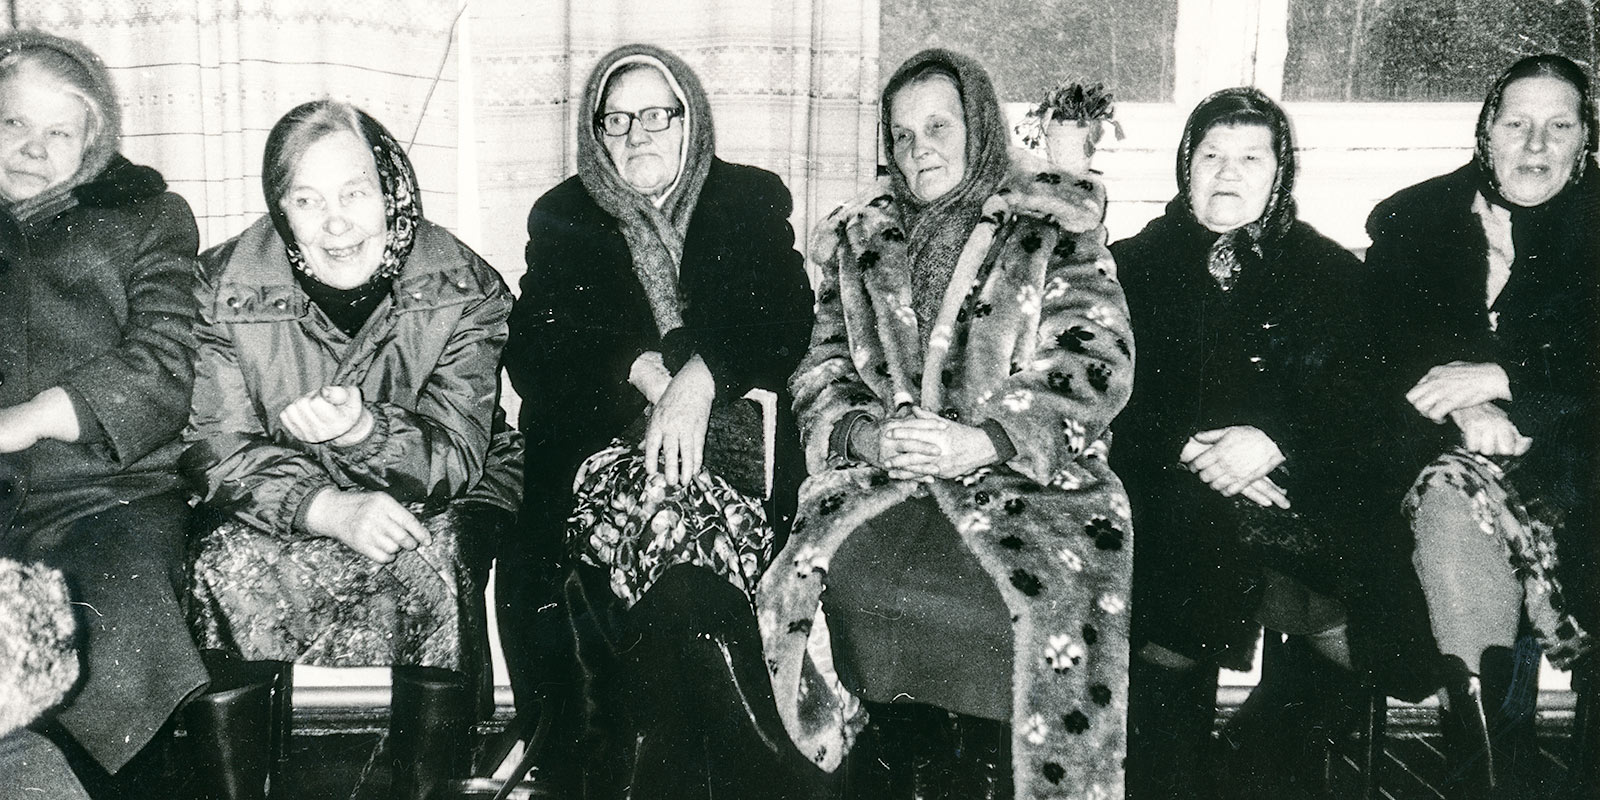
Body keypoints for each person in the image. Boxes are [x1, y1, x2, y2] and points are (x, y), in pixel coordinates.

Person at [757, 48, 1135, 800]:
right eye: (900, 135)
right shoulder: (859, 242)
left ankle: (990, 776)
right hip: (886, 481)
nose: (918, 147)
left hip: (1028, 486)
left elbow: (1095, 357)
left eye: (938, 125)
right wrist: (864, 435)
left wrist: (986, 441)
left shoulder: (1049, 227)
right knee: (838, 582)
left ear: (981, 127)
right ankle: (898, 768)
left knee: (1021, 608)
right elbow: (821, 368)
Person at [182, 99, 522, 800]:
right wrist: (325, 507)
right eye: (306, 200)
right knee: (219, 563)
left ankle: (429, 785)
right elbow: (216, 448)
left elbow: (457, 454)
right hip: (287, 500)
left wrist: (366, 433)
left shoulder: (465, 286)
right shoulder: (219, 289)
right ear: (280, 209)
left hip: (434, 489)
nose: (335, 222)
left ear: (391, 188)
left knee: (436, 551)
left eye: (354, 192)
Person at [503, 44, 815, 797]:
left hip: (738, 462)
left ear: (690, 120)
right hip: (604, 463)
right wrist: (640, 370)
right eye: (617, 120)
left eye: (656, 114)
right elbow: (534, 352)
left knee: (676, 519)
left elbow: (787, 314)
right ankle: (758, 762)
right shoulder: (565, 216)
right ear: (595, 134)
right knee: (669, 507)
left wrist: (703, 377)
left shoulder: (748, 199)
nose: (637, 134)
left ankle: (667, 769)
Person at [1111, 87, 1437, 799]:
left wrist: (1274, 442)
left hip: (1298, 487)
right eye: (1212, 156)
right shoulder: (1130, 265)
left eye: (1250, 158)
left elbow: (1370, 404)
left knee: (1357, 622)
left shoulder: (1328, 271)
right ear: (1185, 167)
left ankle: (1253, 758)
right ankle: (1173, 776)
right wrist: (1187, 449)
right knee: (1187, 558)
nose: (1228, 173)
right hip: (1169, 486)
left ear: (1279, 172)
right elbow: (1105, 391)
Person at [1365, 54, 1598, 799]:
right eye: (1516, 123)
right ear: (1484, 134)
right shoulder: (1414, 219)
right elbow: (1380, 340)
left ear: (1585, 140)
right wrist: (1462, 405)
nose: (1535, 145)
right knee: (1447, 504)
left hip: (1579, 464)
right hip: (1451, 456)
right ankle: (1493, 776)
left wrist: (1509, 385)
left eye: (1558, 126)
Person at [0, 31, 207, 796]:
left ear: (96, 141)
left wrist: (28, 419)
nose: (31, 147)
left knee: (115, 618)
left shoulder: (147, 215)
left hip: (104, 493)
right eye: (12, 122)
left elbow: (164, 360)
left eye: (59, 131)